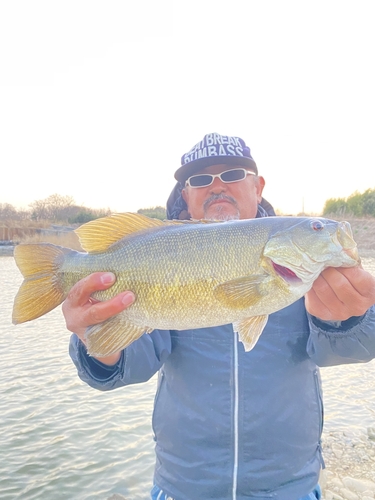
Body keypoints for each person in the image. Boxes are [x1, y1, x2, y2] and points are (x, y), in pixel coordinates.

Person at [65, 133, 375, 500]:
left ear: (257, 187)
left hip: (289, 485)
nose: (216, 186)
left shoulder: (307, 273)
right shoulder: (158, 248)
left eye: (231, 173)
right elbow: (129, 365)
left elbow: (347, 352)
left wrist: (345, 321)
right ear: (185, 195)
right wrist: (95, 338)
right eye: (198, 180)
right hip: (183, 487)